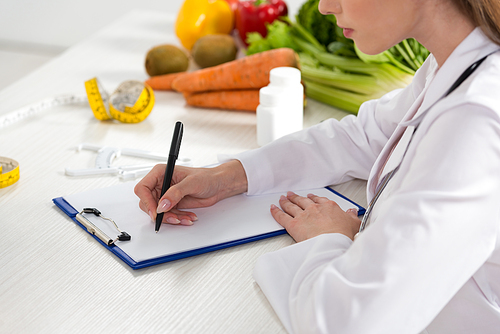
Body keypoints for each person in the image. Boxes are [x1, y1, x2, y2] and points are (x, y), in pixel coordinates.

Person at [135, 0, 500, 332]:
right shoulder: (457, 61)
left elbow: (345, 323)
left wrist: (331, 237)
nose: (325, 6)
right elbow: (364, 136)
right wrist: (227, 177)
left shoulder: (476, 119)